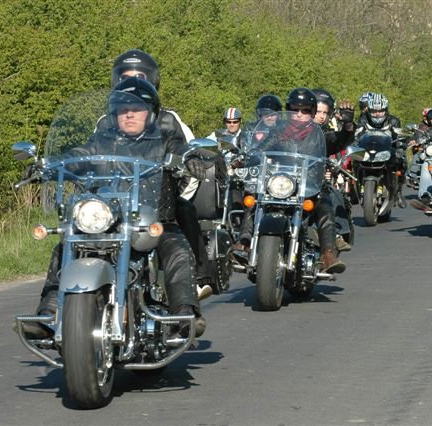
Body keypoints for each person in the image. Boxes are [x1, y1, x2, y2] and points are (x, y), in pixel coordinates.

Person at [17, 77, 208, 340]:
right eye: (122, 109)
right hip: (108, 221)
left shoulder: (165, 141)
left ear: (151, 113)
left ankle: (184, 315)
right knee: (65, 246)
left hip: (152, 221)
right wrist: (46, 166)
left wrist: (191, 157)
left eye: (136, 108)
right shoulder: (101, 142)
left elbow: (182, 150)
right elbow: (76, 156)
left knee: (177, 249)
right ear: (114, 114)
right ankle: (48, 313)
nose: (129, 114)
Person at [111, 49, 212, 300]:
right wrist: (54, 164)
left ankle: (197, 280)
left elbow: (183, 148)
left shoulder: (168, 119)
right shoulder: (107, 121)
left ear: (152, 80)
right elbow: (87, 153)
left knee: (183, 211)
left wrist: (188, 165)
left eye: (139, 77)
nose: (132, 83)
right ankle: (53, 307)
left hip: (158, 200)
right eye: (125, 77)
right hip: (114, 205)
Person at [234, 88, 345, 274]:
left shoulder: (319, 134)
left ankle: (328, 254)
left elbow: (339, 141)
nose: (300, 114)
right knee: (255, 197)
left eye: (305, 110)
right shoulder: (279, 131)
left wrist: (348, 127)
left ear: (312, 112)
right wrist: (246, 158)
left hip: (309, 183)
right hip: (281, 182)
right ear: (288, 110)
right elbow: (261, 148)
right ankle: (244, 242)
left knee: (324, 204)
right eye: (295, 110)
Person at [312, 88, 356, 252]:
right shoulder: (292, 131)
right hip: (288, 181)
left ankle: (336, 234)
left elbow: (339, 141)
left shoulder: (324, 134)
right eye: (318, 112)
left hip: (314, 182)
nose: (322, 116)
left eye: (325, 112)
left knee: (332, 194)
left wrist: (348, 125)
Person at [355, 93, 407, 208]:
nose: (377, 114)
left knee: (402, 161)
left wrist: (401, 148)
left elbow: (400, 137)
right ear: (369, 110)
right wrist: (354, 146)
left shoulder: (394, 121)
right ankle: (356, 186)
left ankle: (398, 192)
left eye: (380, 111)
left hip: (387, 151)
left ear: (386, 110)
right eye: (374, 111)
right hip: (368, 151)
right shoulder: (363, 120)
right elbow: (356, 136)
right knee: (354, 160)